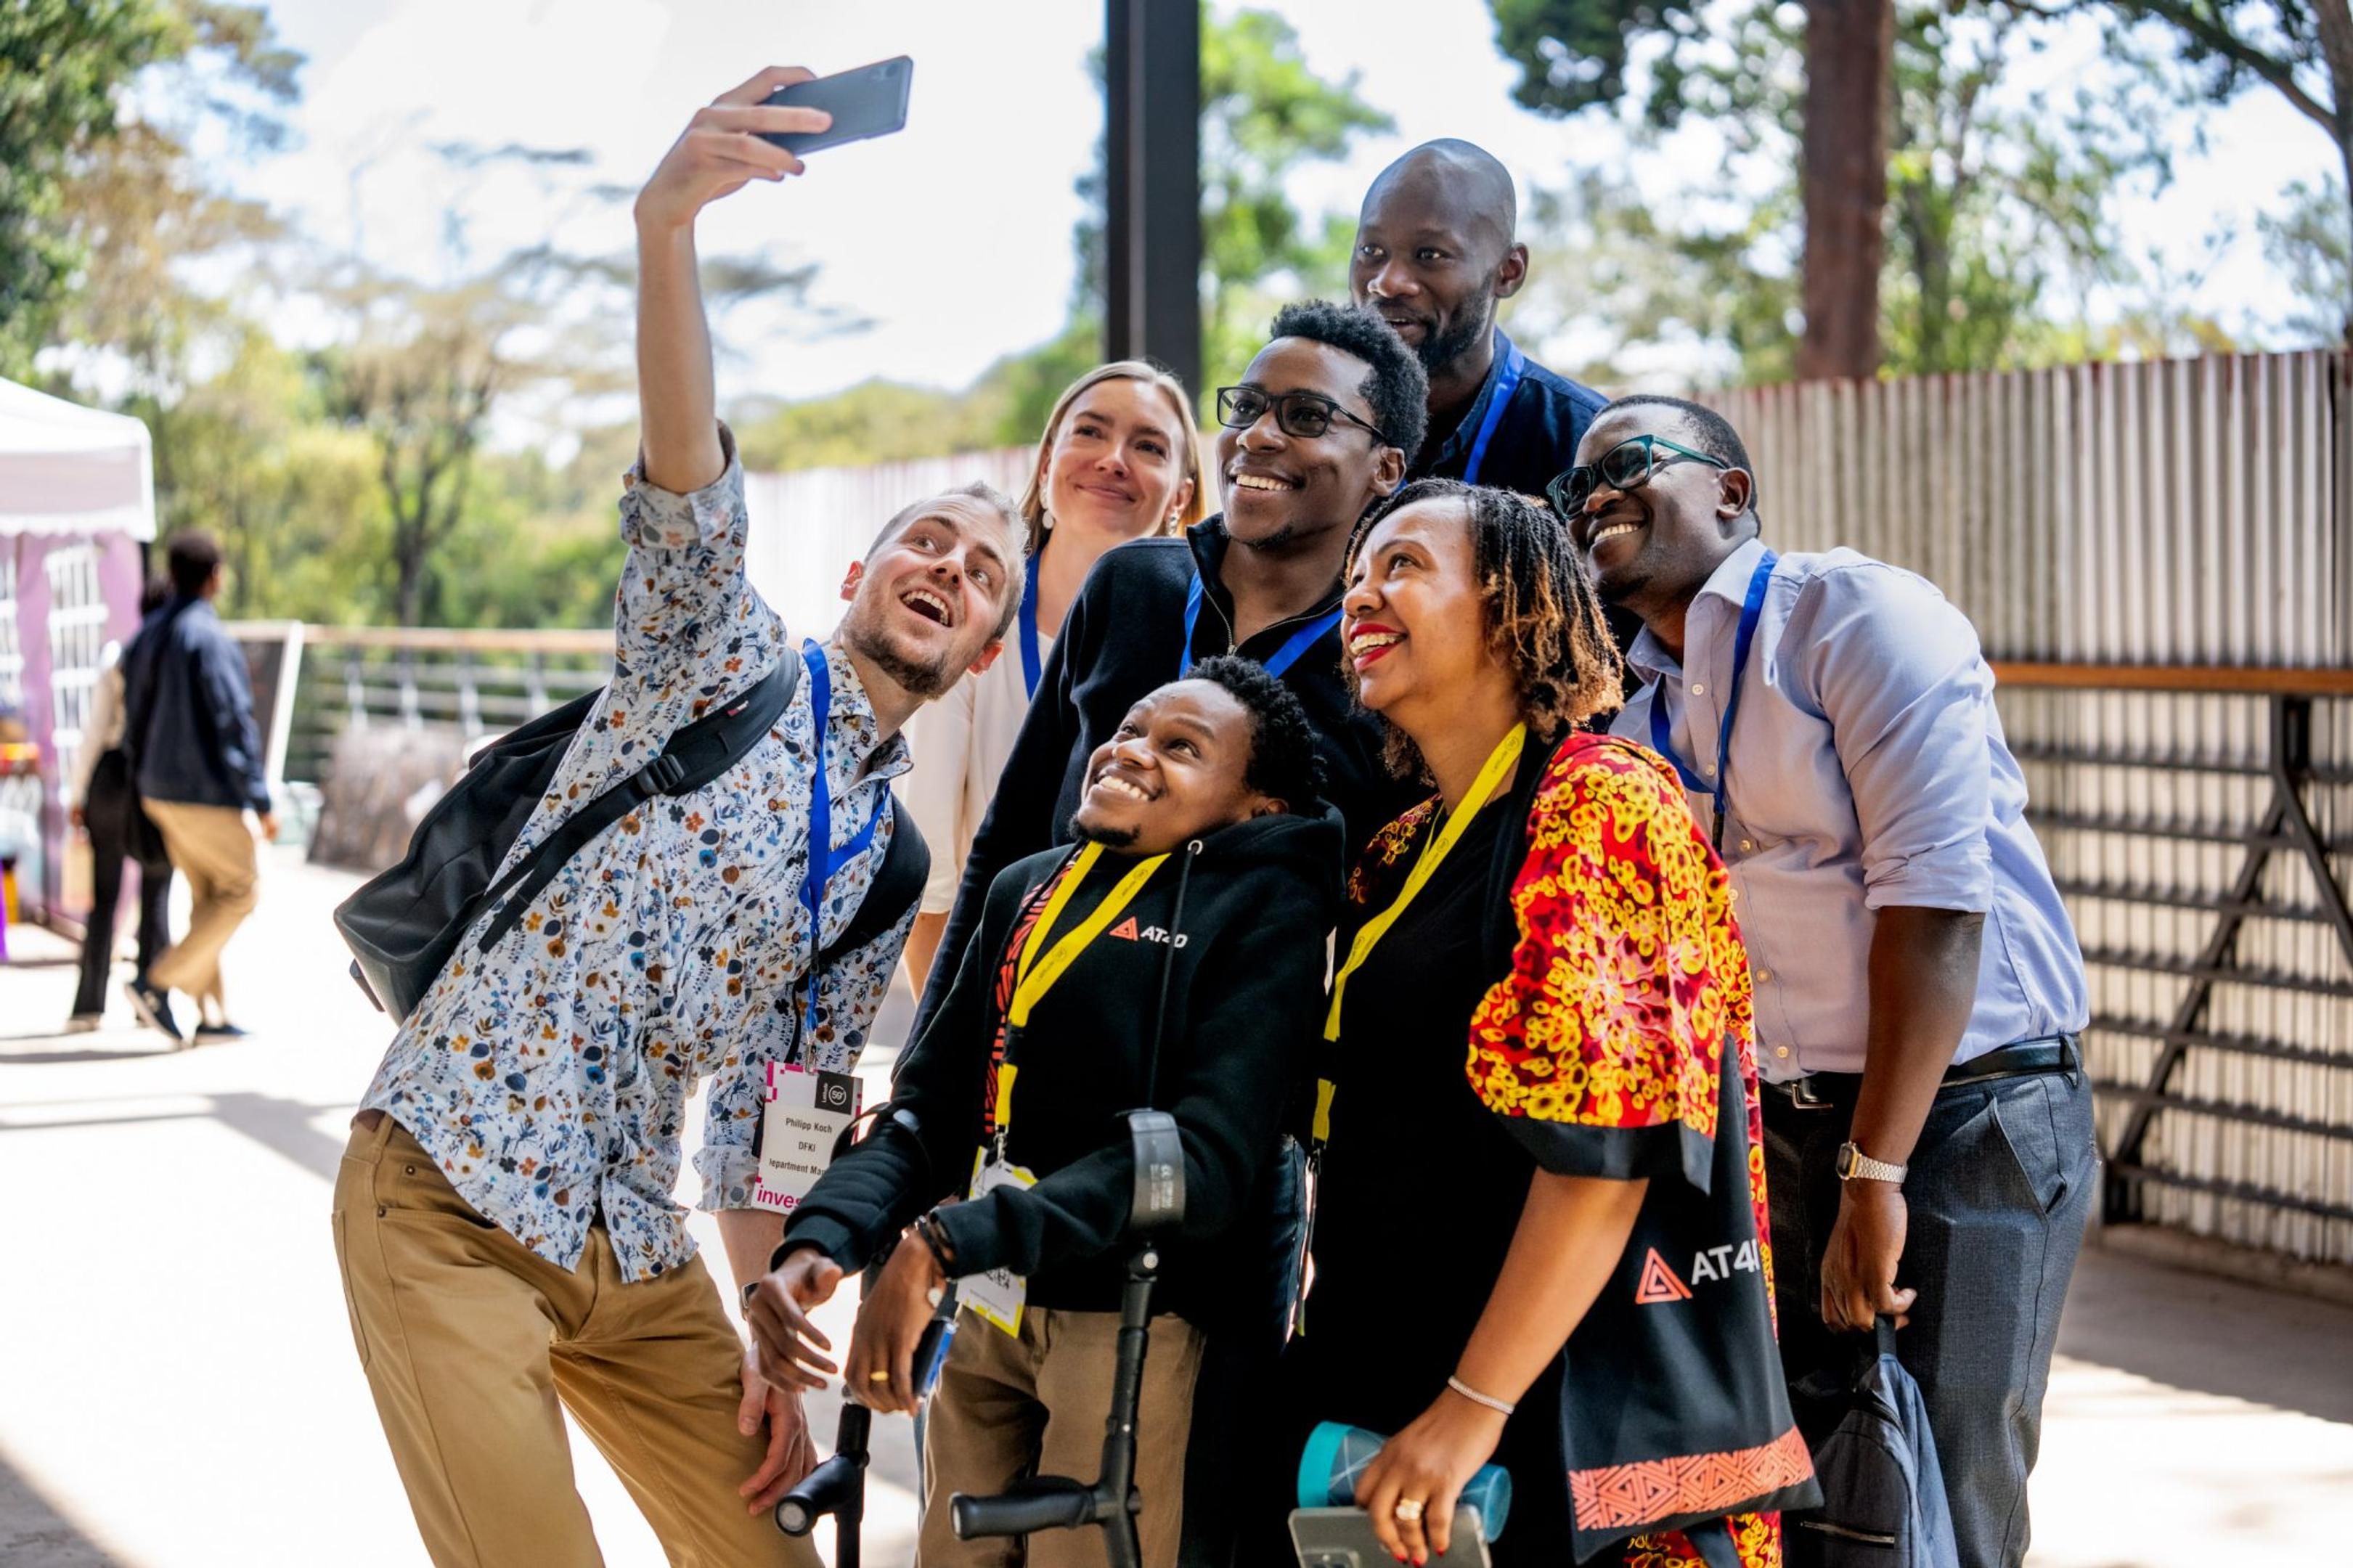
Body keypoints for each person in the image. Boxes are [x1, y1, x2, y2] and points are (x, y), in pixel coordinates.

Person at [330, 69, 1025, 1568]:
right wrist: (667, 229)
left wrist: (774, 1335)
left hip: (629, 1247)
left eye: (983, 576)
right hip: (450, 1179)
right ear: (857, 577)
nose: (952, 567)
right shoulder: (717, 651)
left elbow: (778, 1140)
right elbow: (687, 471)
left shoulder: (888, 865)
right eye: (928, 540)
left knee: (769, 1546)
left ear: (981, 657)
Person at [1566, 394, 2095, 1568]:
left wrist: (1879, 1171)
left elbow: (1937, 908)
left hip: (1967, 1112)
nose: (1591, 496)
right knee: (1819, 1472)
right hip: (1790, 1124)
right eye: (1575, 490)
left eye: (1627, 466)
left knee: (1950, 1468)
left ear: (1731, 494)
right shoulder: (1635, 708)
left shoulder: (1854, 615)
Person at [1277, 479, 1814, 1568]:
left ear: (1514, 604)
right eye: (1356, 578)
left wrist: (1470, 1406)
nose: (1362, 597)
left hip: (1547, 1407)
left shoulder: (1602, 804)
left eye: (1405, 568)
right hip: (1404, 1381)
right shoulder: (1399, 849)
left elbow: (1603, 1156)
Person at [751, 657, 1341, 1567]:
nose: (1134, 753)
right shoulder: (1026, 886)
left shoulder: (1271, 905)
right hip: (990, 1308)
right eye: (1132, 729)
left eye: (1182, 748)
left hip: (1138, 1319)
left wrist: (948, 1243)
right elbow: (931, 1113)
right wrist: (820, 1241)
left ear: (1257, 805)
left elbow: (1207, 1159)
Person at [918, 298, 1430, 1024]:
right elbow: (1011, 837)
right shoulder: (1131, 585)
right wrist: (923, 1082)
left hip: (1243, 1092)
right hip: (1042, 1043)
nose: (1256, 436)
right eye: (1246, 407)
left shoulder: (1389, 650)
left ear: (1385, 467)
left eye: (1306, 417)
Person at [899, 359, 1208, 992]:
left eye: (1148, 446)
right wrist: (945, 1058)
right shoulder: (975, 625)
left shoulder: (1207, 653)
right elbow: (932, 888)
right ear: (1046, 466)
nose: (1113, 459)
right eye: (1089, 433)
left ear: (1180, 495)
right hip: (990, 984)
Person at [1350, 140, 1607, 499]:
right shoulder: (1305, 421)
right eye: (1371, 251)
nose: (1386, 283)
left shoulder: (1585, 448)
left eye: (1430, 254)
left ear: (1508, 272)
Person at [117, 533, 276, 1044]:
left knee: (207, 895)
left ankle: (211, 1017)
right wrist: (260, 798)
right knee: (241, 891)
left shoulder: (147, 635)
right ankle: (156, 982)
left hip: (154, 790)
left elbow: (134, 720)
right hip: (202, 793)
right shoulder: (207, 637)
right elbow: (234, 721)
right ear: (215, 576)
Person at [65, 576, 177, 1034]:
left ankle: (89, 1004)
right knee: (156, 893)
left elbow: (95, 731)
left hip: (110, 781)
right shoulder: (177, 660)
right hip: (156, 783)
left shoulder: (119, 655)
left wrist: (77, 794)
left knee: (105, 898)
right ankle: (149, 996)